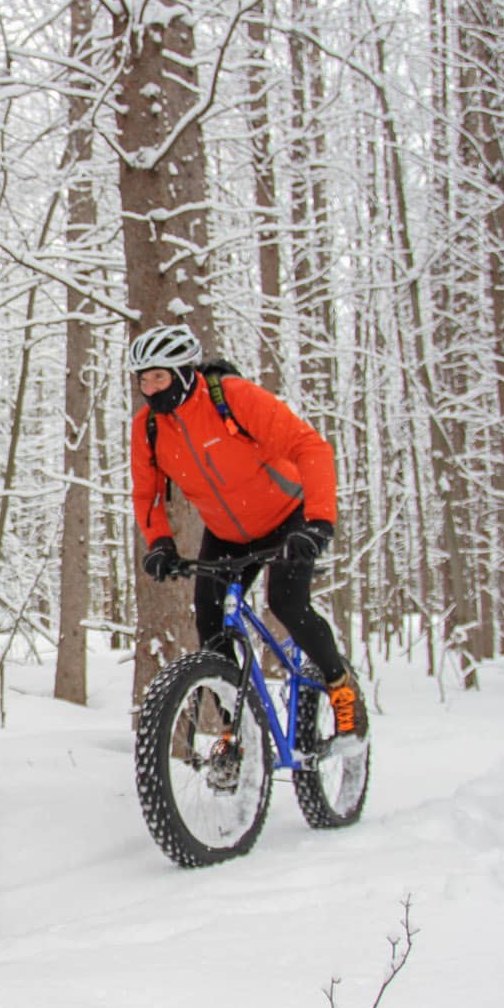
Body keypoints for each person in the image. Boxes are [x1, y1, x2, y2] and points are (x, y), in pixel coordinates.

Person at [126, 323, 368, 764]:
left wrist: (317, 523)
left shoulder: (230, 398)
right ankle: (235, 734)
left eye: (158, 377)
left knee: (287, 604)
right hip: (227, 532)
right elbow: (148, 493)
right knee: (211, 622)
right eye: (142, 379)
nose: (150, 388)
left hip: (287, 517)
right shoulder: (148, 429)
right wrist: (159, 542)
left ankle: (340, 689)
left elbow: (309, 447)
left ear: (182, 373)